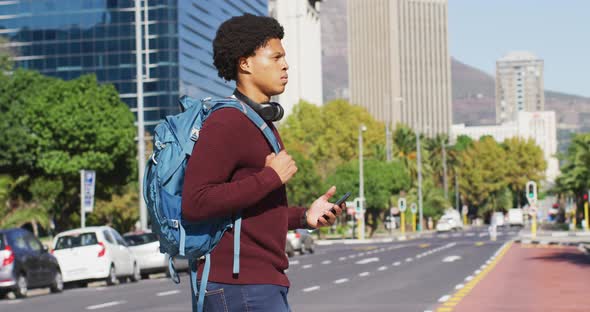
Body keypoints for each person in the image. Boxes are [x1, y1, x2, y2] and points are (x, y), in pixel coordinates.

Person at [181, 14, 345, 311]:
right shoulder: (227, 122)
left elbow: (252, 215)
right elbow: (195, 202)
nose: (286, 65)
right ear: (245, 63)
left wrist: (304, 217)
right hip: (239, 287)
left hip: (258, 284)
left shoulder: (260, 123)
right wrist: (270, 177)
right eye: (276, 56)